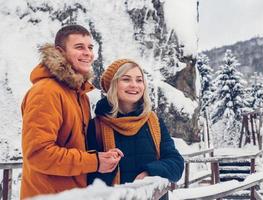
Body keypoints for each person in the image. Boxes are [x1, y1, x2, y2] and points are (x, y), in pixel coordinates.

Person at [20, 25, 123, 199]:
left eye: (90, 47)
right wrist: (95, 161)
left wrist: (103, 156)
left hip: (72, 194)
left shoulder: (79, 94)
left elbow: (74, 146)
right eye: (79, 47)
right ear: (60, 52)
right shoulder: (46, 92)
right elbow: (39, 154)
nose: (88, 53)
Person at [87, 59, 184, 187]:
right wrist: (107, 166)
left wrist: (149, 173)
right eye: (126, 79)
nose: (134, 85)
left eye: (139, 80)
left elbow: (176, 163)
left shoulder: (154, 121)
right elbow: (89, 179)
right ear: (112, 85)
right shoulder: (96, 126)